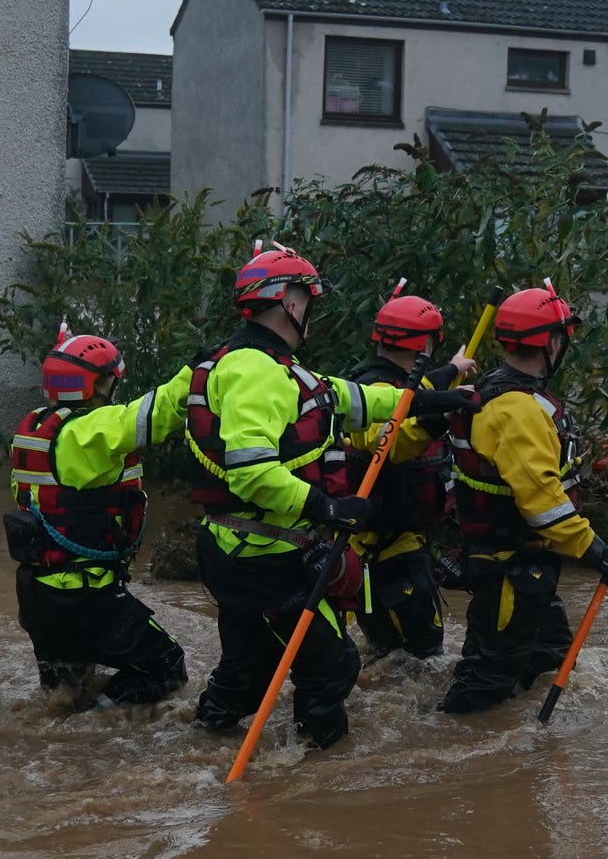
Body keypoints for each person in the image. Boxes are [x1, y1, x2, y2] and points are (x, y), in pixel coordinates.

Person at [181, 246, 473, 750]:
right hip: (266, 553)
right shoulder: (259, 372)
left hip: (231, 548)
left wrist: (427, 397)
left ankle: (203, 740)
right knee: (333, 665)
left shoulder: (234, 365)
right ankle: (316, 768)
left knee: (246, 667)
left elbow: (353, 398)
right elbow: (252, 471)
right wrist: (328, 508)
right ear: (290, 304)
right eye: (306, 298)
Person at [439, 284, 608, 716]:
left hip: (526, 565)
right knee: (485, 683)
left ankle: (524, 762)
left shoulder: (493, 389)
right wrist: (597, 551)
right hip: (510, 566)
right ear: (549, 342)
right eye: (561, 338)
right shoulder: (519, 409)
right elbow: (541, 501)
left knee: (549, 659)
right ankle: (459, 763)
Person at [5, 331, 191, 707]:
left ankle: (67, 734)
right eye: (110, 381)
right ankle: (96, 723)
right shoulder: (89, 431)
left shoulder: (38, 429)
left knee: (65, 693)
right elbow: (157, 412)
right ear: (99, 385)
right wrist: (200, 373)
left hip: (38, 596)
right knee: (167, 668)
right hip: (85, 597)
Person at [342, 285, 465, 660]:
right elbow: (387, 443)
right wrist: (437, 421)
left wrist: (454, 370)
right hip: (389, 550)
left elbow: (423, 389)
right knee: (424, 656)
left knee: (386, 652)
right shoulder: (374, 391)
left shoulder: (395, 383)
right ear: (424, 345)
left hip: (381, 547)